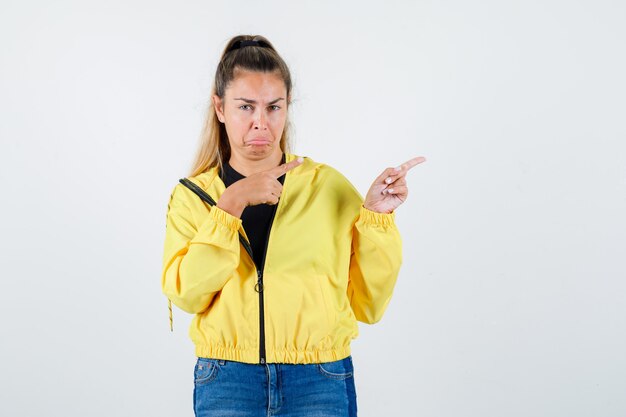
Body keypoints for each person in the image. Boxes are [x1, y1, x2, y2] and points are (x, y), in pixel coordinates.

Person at [161, 34, 425, 417]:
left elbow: (369, 304)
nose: (260, 123)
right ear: (220, 108)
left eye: (273, 107)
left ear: (287, 109)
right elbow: (188, 296)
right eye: (245, 107)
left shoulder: (327, 187)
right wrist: (229, 206)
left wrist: (376, 219)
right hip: (227, 380)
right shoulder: (193, 196)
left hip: (318, 378)